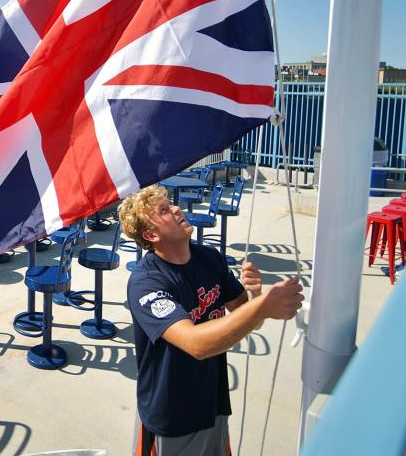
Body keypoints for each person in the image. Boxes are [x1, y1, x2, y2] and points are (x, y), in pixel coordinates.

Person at [119, 185, 304, 455]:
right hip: (174, 416)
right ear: (151, 234)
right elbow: (196, 345)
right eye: (164, 210)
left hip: (214, 403)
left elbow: (246, 317)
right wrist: (262, 307)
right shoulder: (146, 283)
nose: (175, 208)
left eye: (170, 203)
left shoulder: (210, 259)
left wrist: (255, 296)